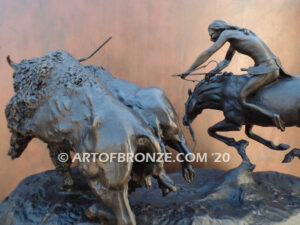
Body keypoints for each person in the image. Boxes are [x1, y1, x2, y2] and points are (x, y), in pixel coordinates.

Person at [181, 20, 290, 131]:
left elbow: (209, 52)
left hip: (267, 69)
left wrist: (189, 70)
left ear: (218, 29)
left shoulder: (227, 33)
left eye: (212, 34)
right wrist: (213, 71)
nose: (211, 38)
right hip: (274, 66)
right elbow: (226, 61)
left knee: (241, 97)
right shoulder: (236, 37)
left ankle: (273, 116)